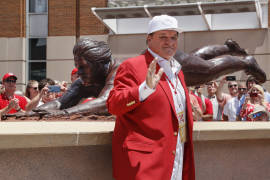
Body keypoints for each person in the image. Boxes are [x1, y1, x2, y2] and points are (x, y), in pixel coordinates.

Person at [107, 15, 195, 180]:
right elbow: (113, 105)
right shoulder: (132, 66)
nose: (170, 42)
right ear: (149, 39)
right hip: (145, 163)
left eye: (173, 37)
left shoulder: (178, 71)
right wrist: (144, 90)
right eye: (163, 37)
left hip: (177, 157)